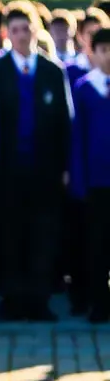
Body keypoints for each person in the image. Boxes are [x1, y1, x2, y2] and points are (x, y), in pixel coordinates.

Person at [0, 7, 74, 321]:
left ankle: (39, 300)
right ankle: (12, 299)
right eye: (16, 30)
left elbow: (65, 122)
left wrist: (65, 168)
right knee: (9, 235)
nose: (22, 35)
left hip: (44, 170)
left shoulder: (52, 71)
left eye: (27, 29)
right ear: (9, 34)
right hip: (7, 169)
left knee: (43, 234)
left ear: (36, 31)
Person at [70, 26, 110, 323]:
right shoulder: (85, 87)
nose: (108, 57)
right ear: (93, 53)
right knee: (95, 246)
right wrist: (78, 180)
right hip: (96, 182)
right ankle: (98, 303)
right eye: (103, 50)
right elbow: (77, 139)